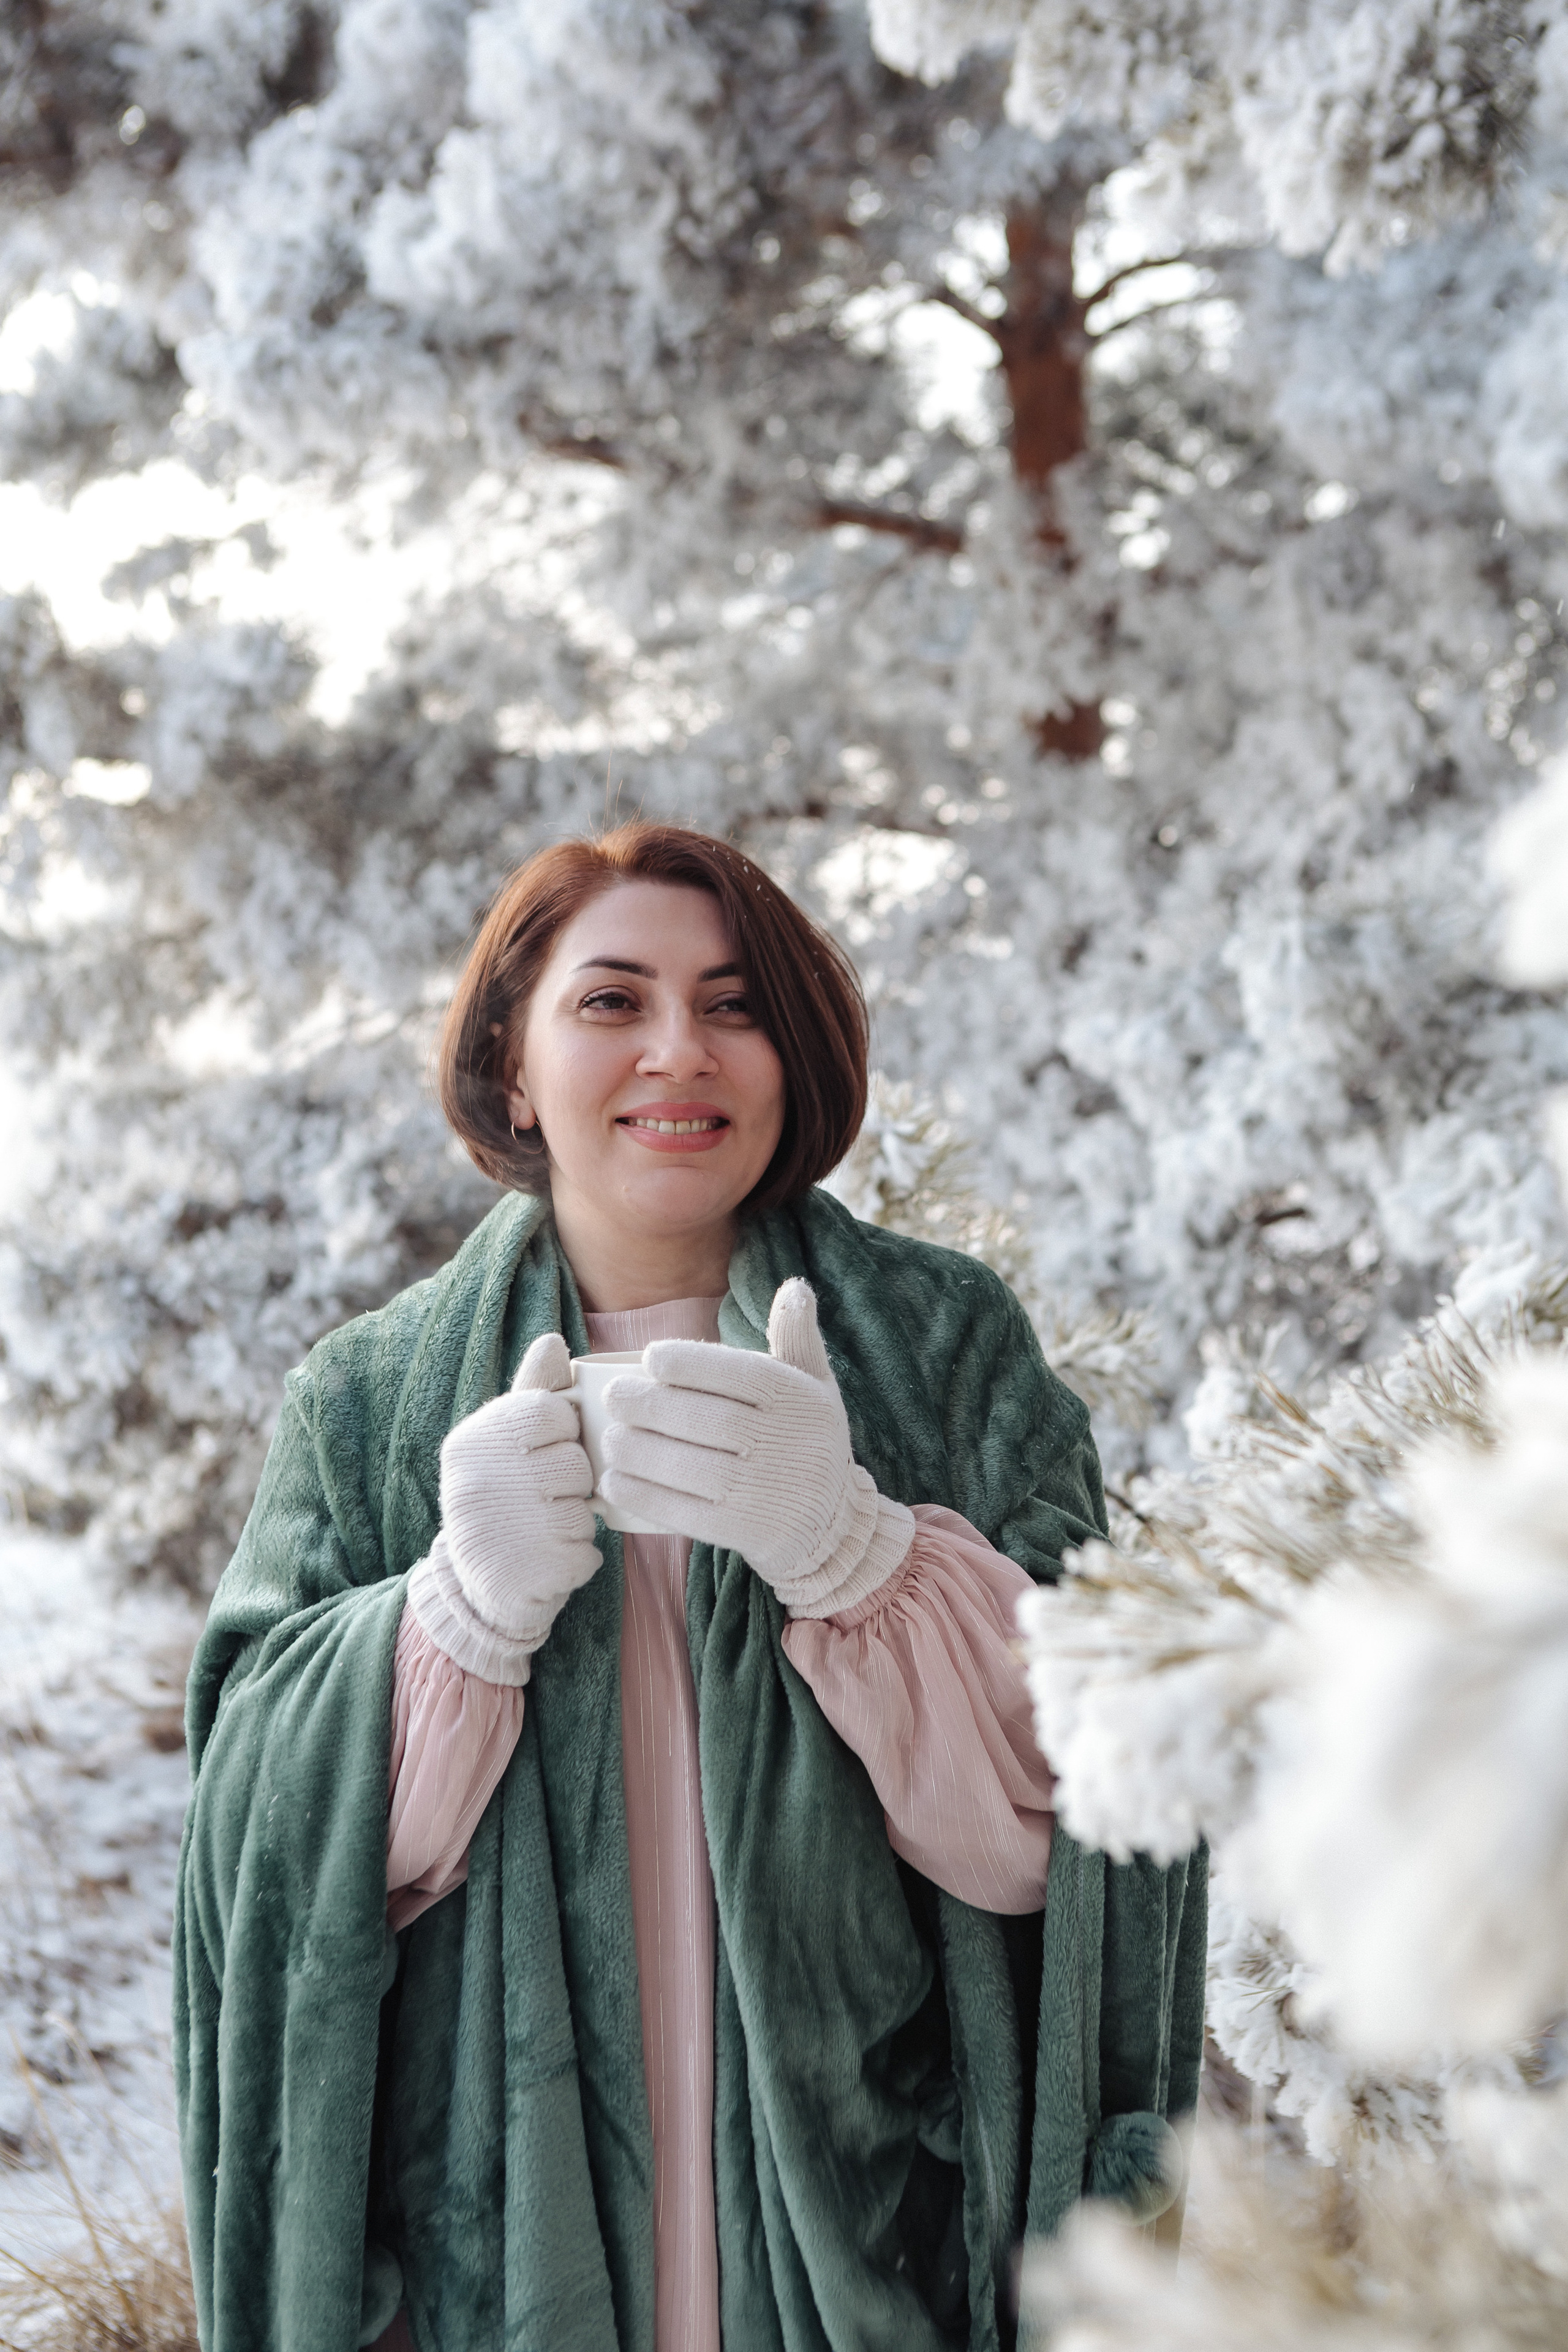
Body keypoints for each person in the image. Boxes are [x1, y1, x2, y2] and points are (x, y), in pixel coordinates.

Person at [174, 823, 1204, 2352]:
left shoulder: (943, 1347)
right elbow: (257, 1850)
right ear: (513, 1068)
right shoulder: (369, 1397)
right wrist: (450, 1621)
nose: (680, 1050)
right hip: (493, 2265)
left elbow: (1107, 1800)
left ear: (789, 1057)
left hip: (892, 2247)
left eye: (732, 1005)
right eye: (610, 1002)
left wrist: (861, 1557)